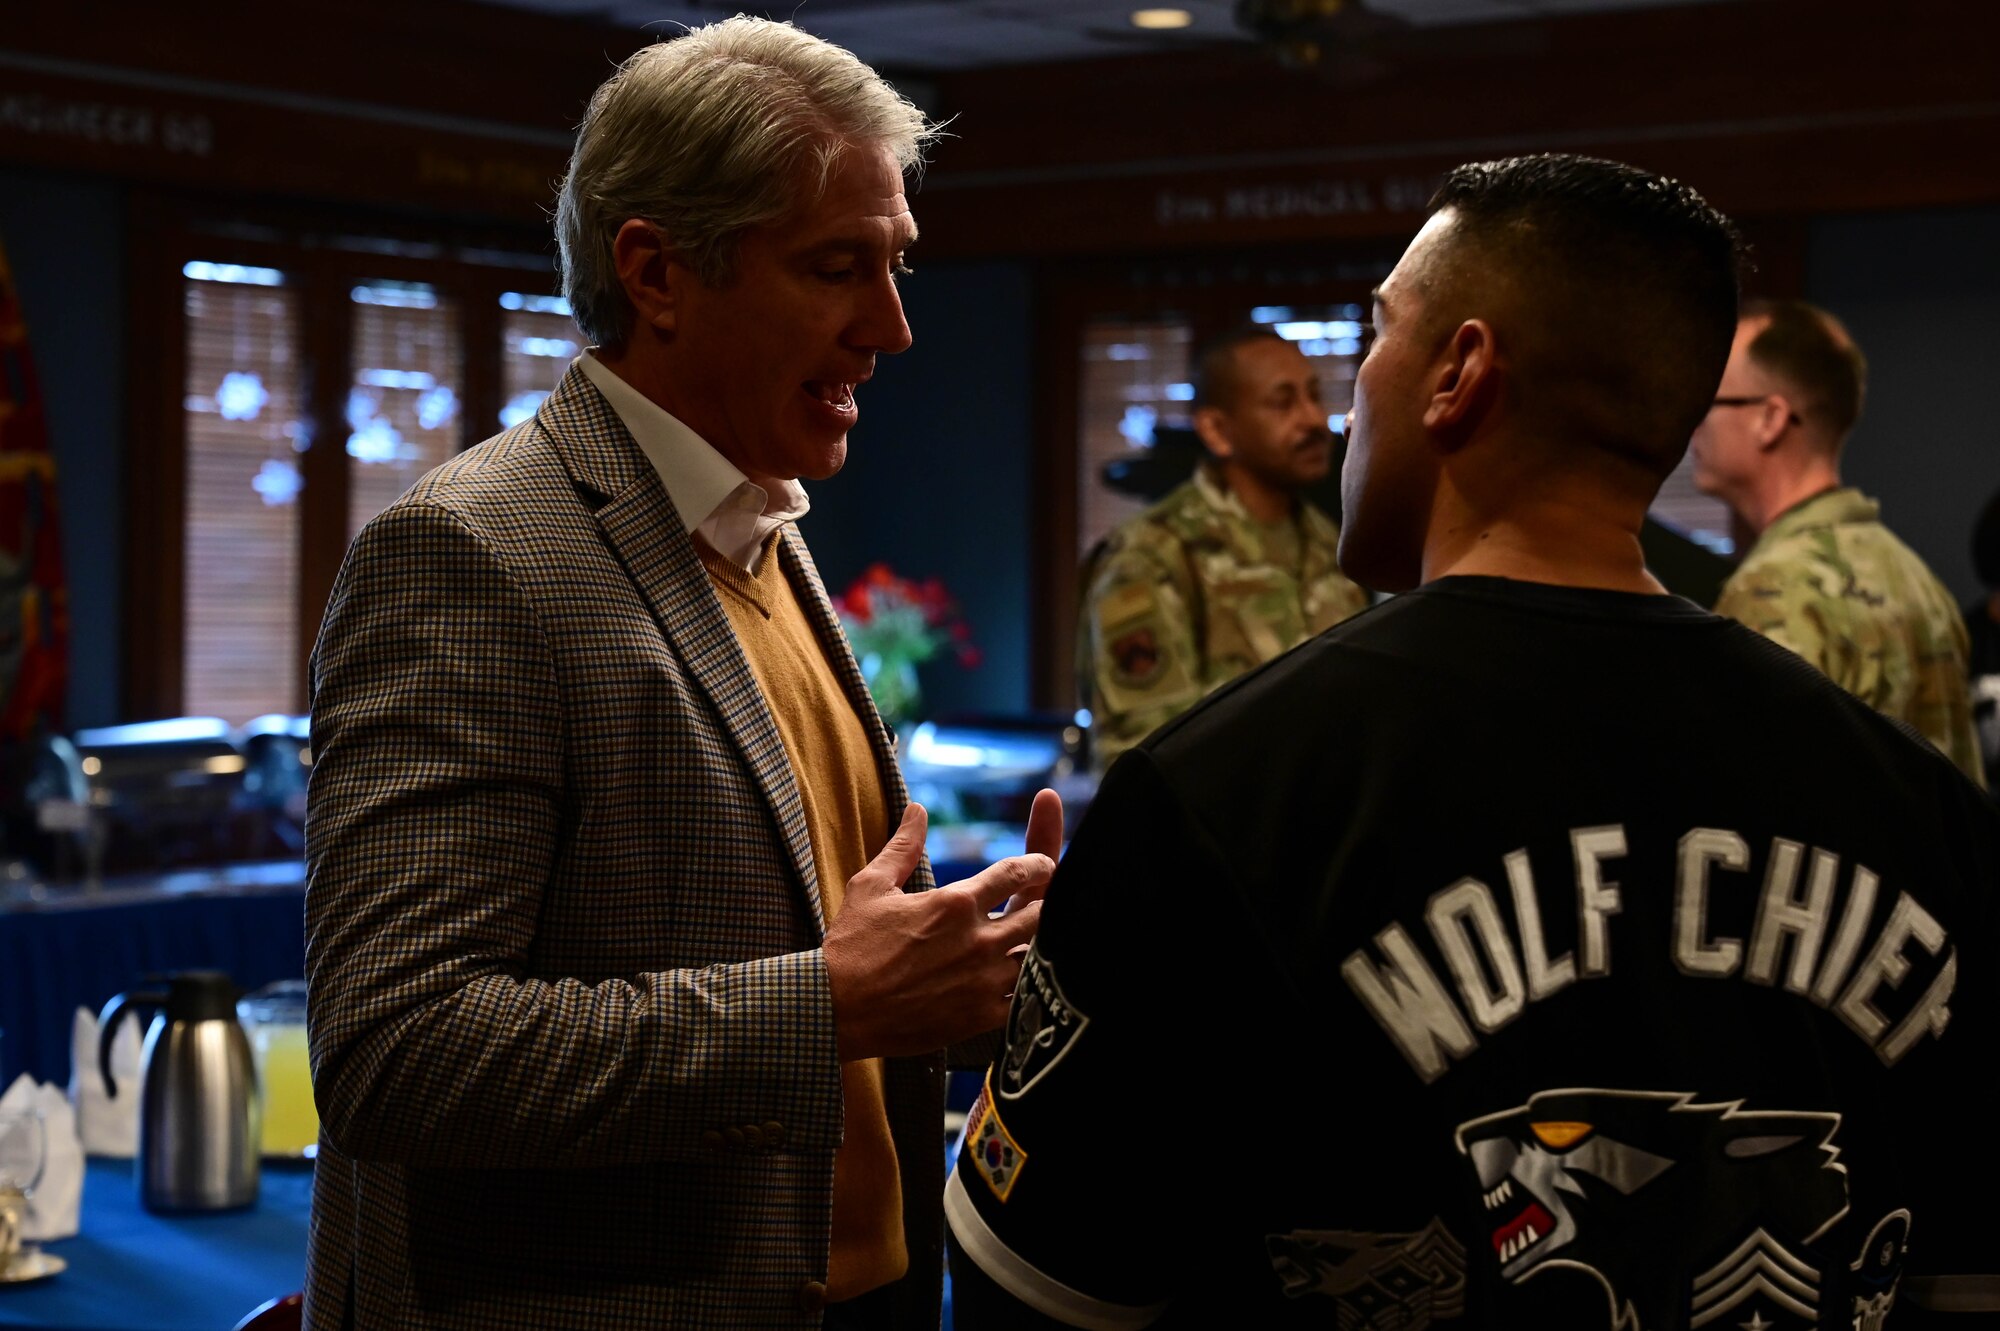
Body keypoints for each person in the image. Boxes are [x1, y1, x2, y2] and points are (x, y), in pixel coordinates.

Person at [946, 154, 2000, 1328]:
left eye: (1374, 338)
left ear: (1457, 374)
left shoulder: (1220, 798)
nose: (1347, 404)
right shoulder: (1926, 812)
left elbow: (1039, 1292)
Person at [303, 19, 1059, 1329]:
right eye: (838, 268)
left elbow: (817, 950)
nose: (892, 328)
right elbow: (396, 1051)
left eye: (896, 267)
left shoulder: (762, 530)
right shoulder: (469, 551)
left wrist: (977, 982)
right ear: (656, 272)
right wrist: (828, 1002)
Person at [1690, 299, 1984, 787]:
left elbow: (1757, 806)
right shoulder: (1916, 577)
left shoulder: (1775, 588)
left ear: (1771, 419)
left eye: (1714, 400)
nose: (1695, 421)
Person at [1079, 327, 1369, 773]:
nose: (1314, 420)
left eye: (1314, 396)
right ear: (1217, 430)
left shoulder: (1330, 541)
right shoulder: (1152, 555)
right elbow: (1140, 761)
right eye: (1283, 402)